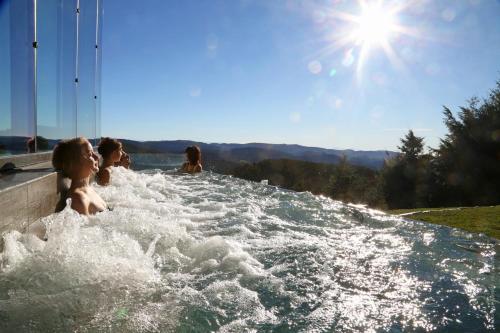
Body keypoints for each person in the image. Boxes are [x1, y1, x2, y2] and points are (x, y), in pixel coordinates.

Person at [52, 137, 107, 215]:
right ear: (75, 163)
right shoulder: (77, 200)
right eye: (89, 154)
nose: (96, 157)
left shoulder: (88, 189)